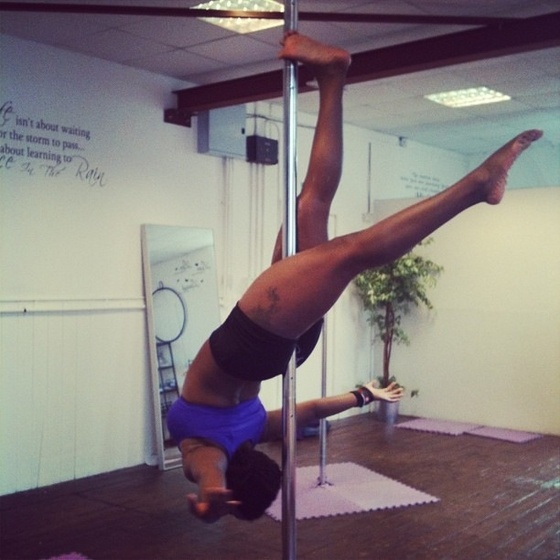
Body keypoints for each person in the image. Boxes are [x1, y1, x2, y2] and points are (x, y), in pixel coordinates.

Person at [166, 32, 542, 523]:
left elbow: (302, 416)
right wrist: (211, 491)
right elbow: (229, 457)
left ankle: (332, 76)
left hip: (285, 349)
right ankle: (476, 185)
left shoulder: (237, 442)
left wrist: (363, 395)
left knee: (310, 204)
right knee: (351, 252)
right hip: (257, 341)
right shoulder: (213, 445)